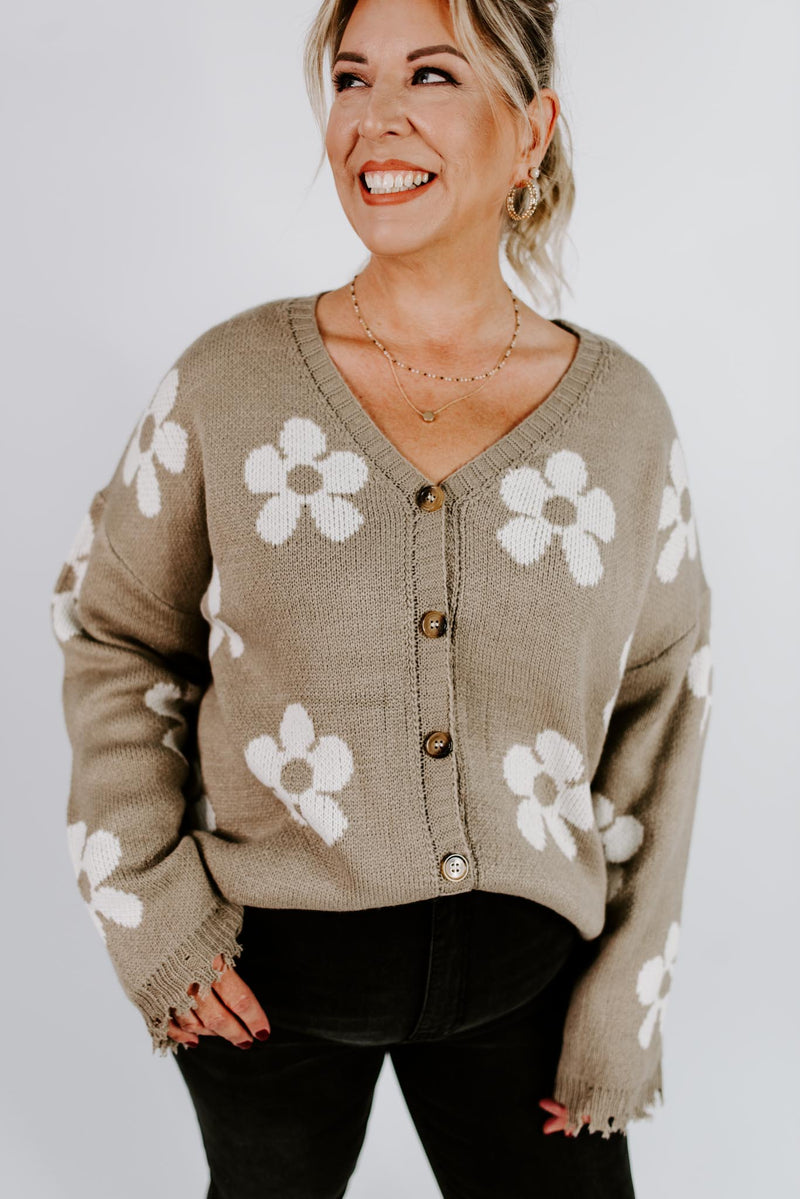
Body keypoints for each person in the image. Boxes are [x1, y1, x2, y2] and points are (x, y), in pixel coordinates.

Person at [50, 1, 714, 1196]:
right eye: (352, 78)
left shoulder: (620, 416)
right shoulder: (229, 382)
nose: (375, 115)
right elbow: (115, 632)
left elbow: (663, 707)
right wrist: (153, 917)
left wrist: (625, 998)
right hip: (260, 987)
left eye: (431, 74)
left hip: (529, 986)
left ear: (530, 131)